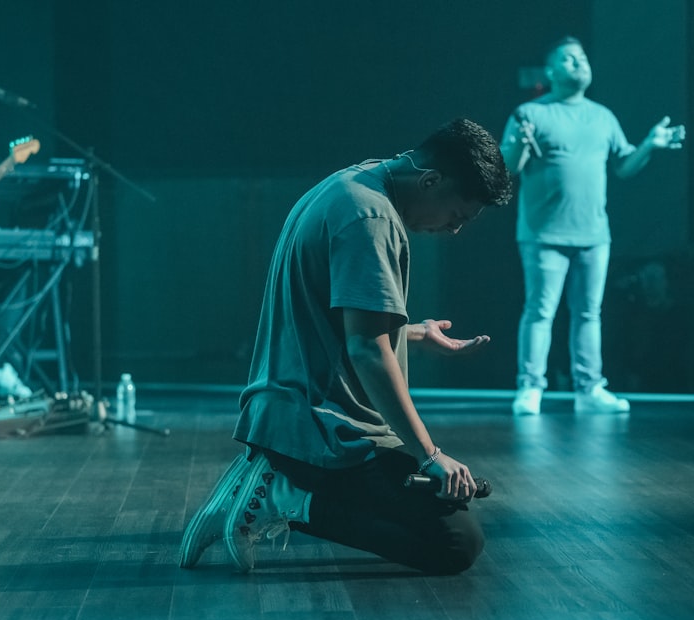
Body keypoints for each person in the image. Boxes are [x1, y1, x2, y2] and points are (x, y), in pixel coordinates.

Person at [180, 118, 512, 574]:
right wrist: (429, 455)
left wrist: (412, 333)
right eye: (456, 217)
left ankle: (282, 485)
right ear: (431, 180)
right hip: (319, 433)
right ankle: (286, 496)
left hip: (289, 420)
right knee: (455, 543)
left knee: (444, 512)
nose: (453, 231)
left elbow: (337, 323)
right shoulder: (371, 218)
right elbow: (367, 351)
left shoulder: (354, 182)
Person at [500, 36, 685, 415]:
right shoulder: (529, 114)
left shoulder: (602, 116)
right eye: (568, 59)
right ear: (551, 71)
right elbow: (509, 169)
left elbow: (625, 166)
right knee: (540, 311)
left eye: (582, 58)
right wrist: (518, 145)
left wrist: (650, 144)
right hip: (544, 234)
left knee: (589, 313)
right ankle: (530, 388)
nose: (578, 64)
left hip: (594, 235)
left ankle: (589, 389)